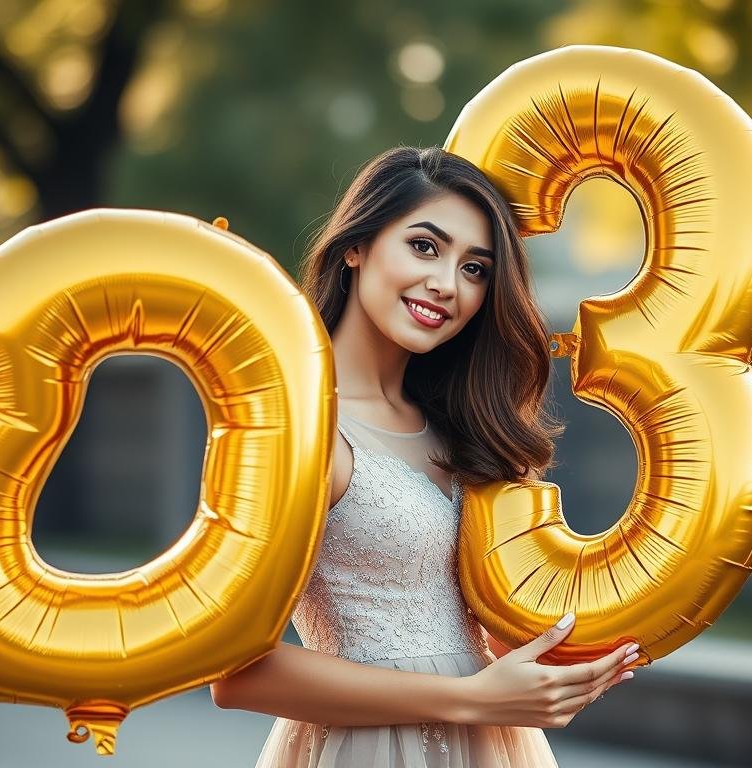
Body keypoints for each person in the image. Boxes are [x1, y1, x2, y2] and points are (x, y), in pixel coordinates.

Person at [210, 146, 642, 767]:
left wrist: (559, 668)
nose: (446, 285)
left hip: (493, 747)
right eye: (424, 246)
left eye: (476, 269)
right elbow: (238, 674)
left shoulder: (461, 427)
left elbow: (488, 625)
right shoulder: (299, 426)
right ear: (355, 246)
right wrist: (470, 699)